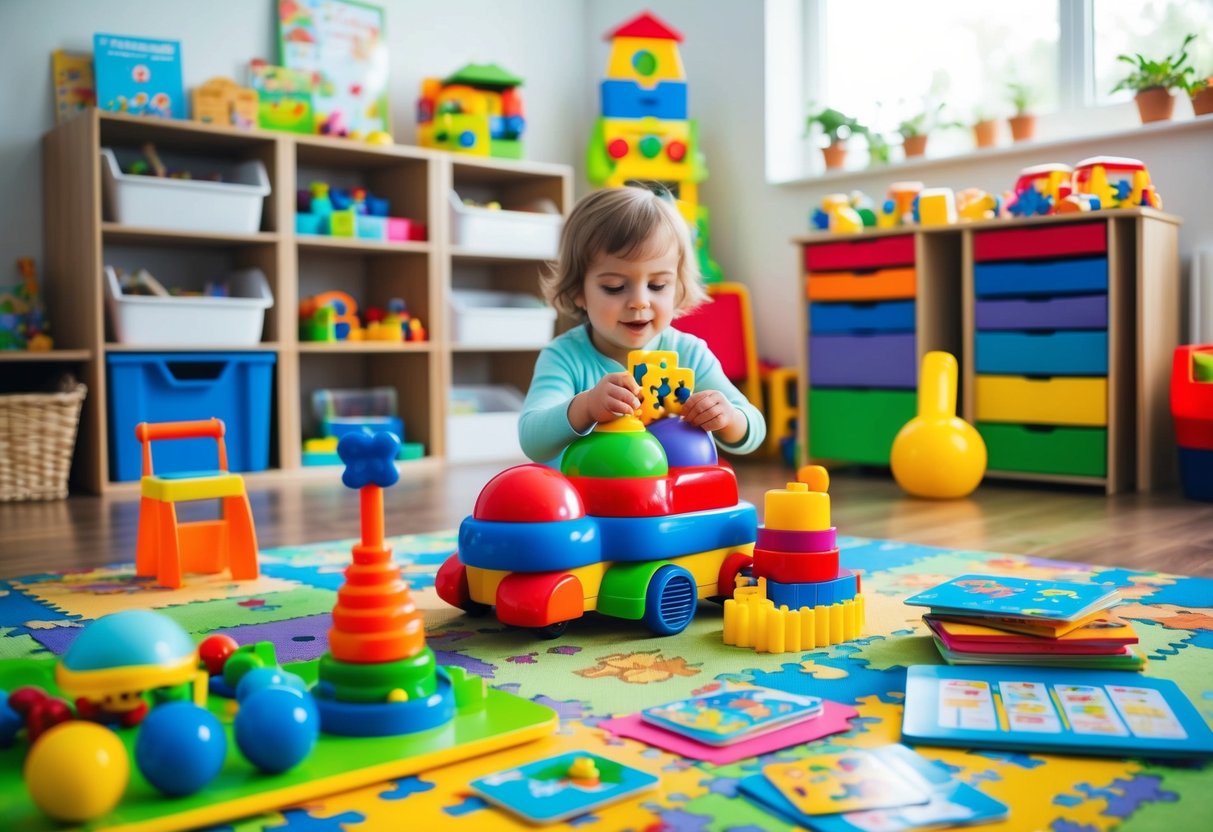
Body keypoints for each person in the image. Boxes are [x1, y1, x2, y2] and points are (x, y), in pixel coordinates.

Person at [519, 184, 765, 464]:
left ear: (677, 287)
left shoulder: (689, 354)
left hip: (669, 502)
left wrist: (728, 417)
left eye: (657, 285)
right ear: (578, 290)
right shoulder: (564, 356)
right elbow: (532, 438)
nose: (639, 301)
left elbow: (754, 428)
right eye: (614, 287)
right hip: (588, 499)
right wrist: (586, 406)